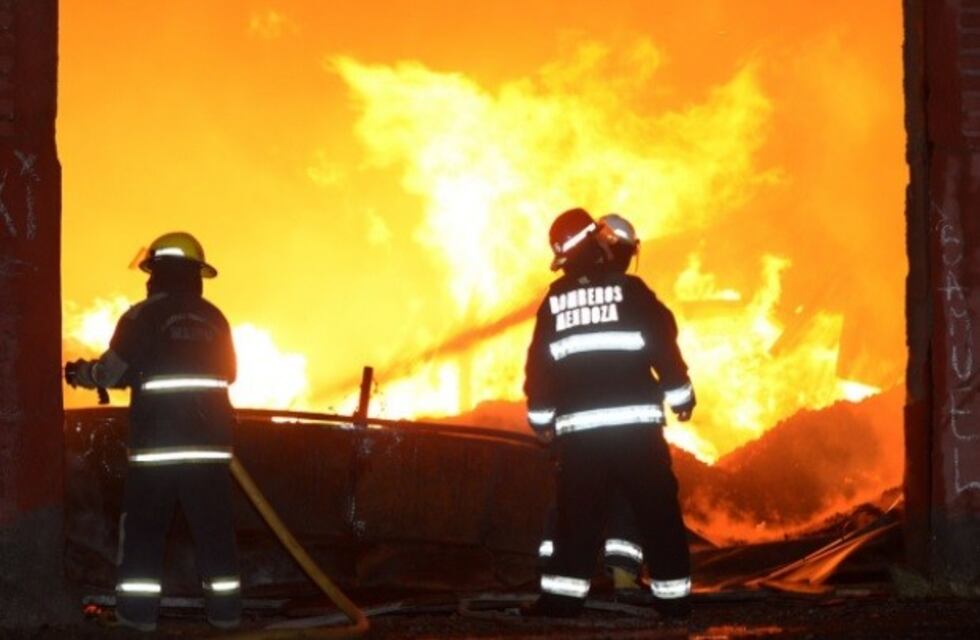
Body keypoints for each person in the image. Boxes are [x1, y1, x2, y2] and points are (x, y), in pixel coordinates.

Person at [523, 208, 695, 618]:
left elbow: (539, 368)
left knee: (576, 516)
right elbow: (664, 347)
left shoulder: (555, 302)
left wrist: (542, 421)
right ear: (599, 243)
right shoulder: (632, 291)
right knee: (656, 510)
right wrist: (681, 396)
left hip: (580, 437)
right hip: (636, 431)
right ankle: (673, 602)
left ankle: (561, 601)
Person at [66, 232, 242, 632]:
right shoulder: (215, 318)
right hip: (210, 450)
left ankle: (137, 618)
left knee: (145, 533)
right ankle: (228, 617)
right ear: (196, 275)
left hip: (156, 453)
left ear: (158, 273)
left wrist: (82, 374)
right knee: (215, 532)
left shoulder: (141, 317)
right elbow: (230, 374)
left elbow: (113, 372)